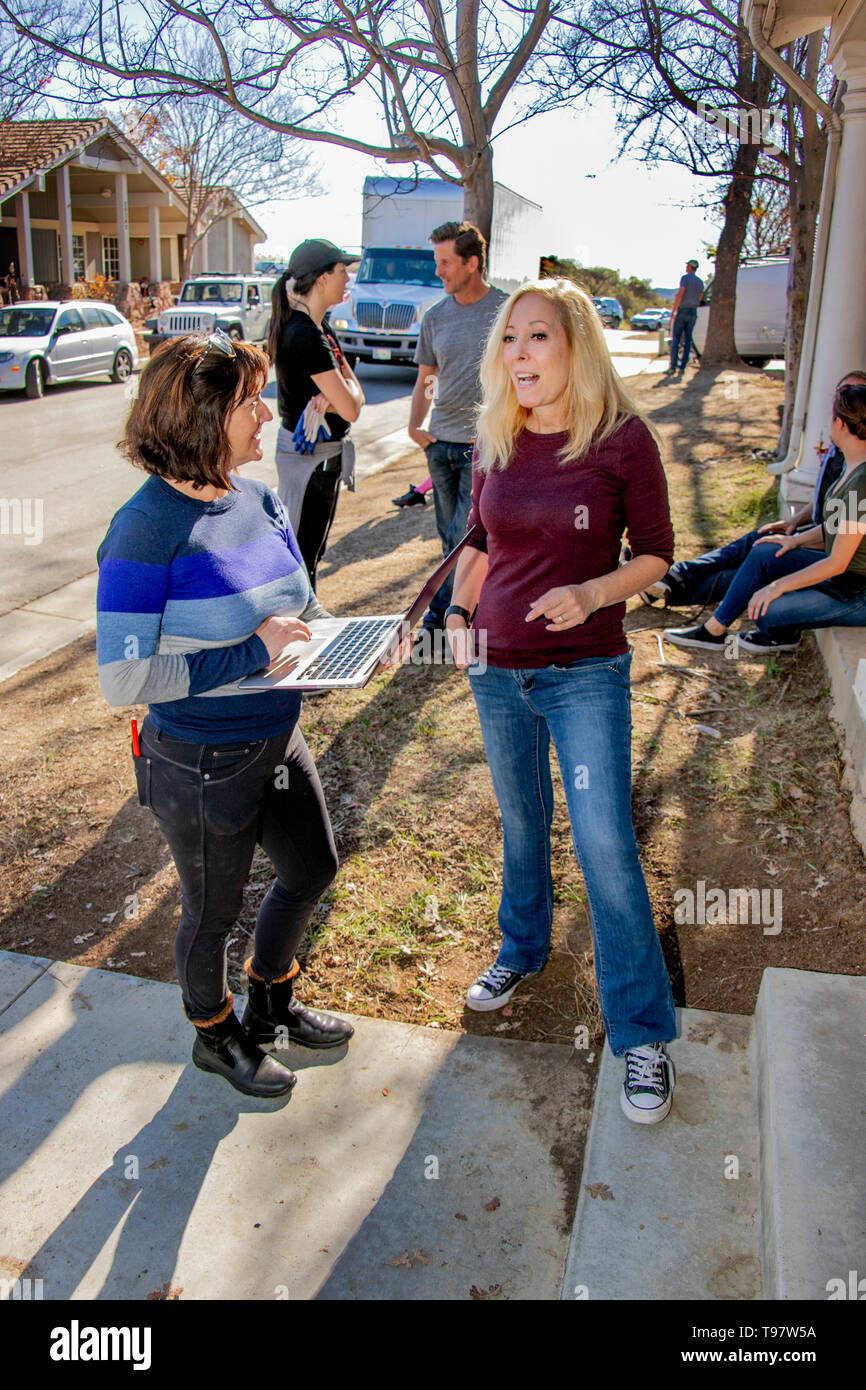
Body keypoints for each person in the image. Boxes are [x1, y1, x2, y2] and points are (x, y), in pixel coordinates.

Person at [446, 278, 679, 1125]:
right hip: (496, 668)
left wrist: (591, 594)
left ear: (575, 346)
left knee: (604, 839)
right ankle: (522, 949)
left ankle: (642, 1033)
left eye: (536, 337)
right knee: (519, 820)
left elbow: (657, 554)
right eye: (509, 339)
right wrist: (462, 611)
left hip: (584, 670)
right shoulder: (496, 435)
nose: (518, 354)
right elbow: (478, 538)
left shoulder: (622, 442)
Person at [96, 331, 353, 1099]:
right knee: (212, 912)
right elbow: (126, 677)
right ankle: (216, 1032)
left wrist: (354, 646)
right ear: (204, 418)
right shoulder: (145, 529)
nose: (267, 413)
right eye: (250, 401)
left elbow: (301, 609)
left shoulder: (262, 496)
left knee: (313, 868)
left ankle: (272, 997)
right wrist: (252, 652)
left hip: (278, 736)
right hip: (199, 759)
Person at [665, 379, 866, 655]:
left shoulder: (861, 483)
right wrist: (792, 542)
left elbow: (837, 562)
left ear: (841, 424)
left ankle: (779, 630)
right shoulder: (850, 467)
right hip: (841, 578)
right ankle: (713, 630)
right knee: (765, 550)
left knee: (763, 611)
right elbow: (834, 528)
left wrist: (777, 586)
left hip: (853, 591)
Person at [409, 222, 507, 635]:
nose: (439, 271)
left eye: (446, 262)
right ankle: (460, 616)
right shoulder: (435, 317)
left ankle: (442, 620)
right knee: (447, 537)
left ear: (472, 262)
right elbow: (427, 376)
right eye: (437, 262)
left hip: (481, 444)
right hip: (440, 444)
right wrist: (416, 424)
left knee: (461, 540)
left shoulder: (506, 310)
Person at [269, 239, 365, 588]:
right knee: (301, 558)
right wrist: (344, 388)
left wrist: (342, 389)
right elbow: (353, 406)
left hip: (321, 461)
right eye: (342, 272)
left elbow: (351, 397)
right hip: (310, 463)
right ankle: (302, 633)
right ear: (322, 278)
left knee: (308, 554)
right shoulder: (305, 334)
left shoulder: (321, 329)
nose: (347, 280)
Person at [667, 259, 704, 375]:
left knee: (676, 339)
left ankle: (672, 366)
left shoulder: (685, 278)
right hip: (693, 311)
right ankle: (683, 366)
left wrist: (673, 312)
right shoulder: (700, 282)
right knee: (688, 340)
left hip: (683, 311)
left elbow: (680, 294)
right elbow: (700, 297)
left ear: (689, 267)